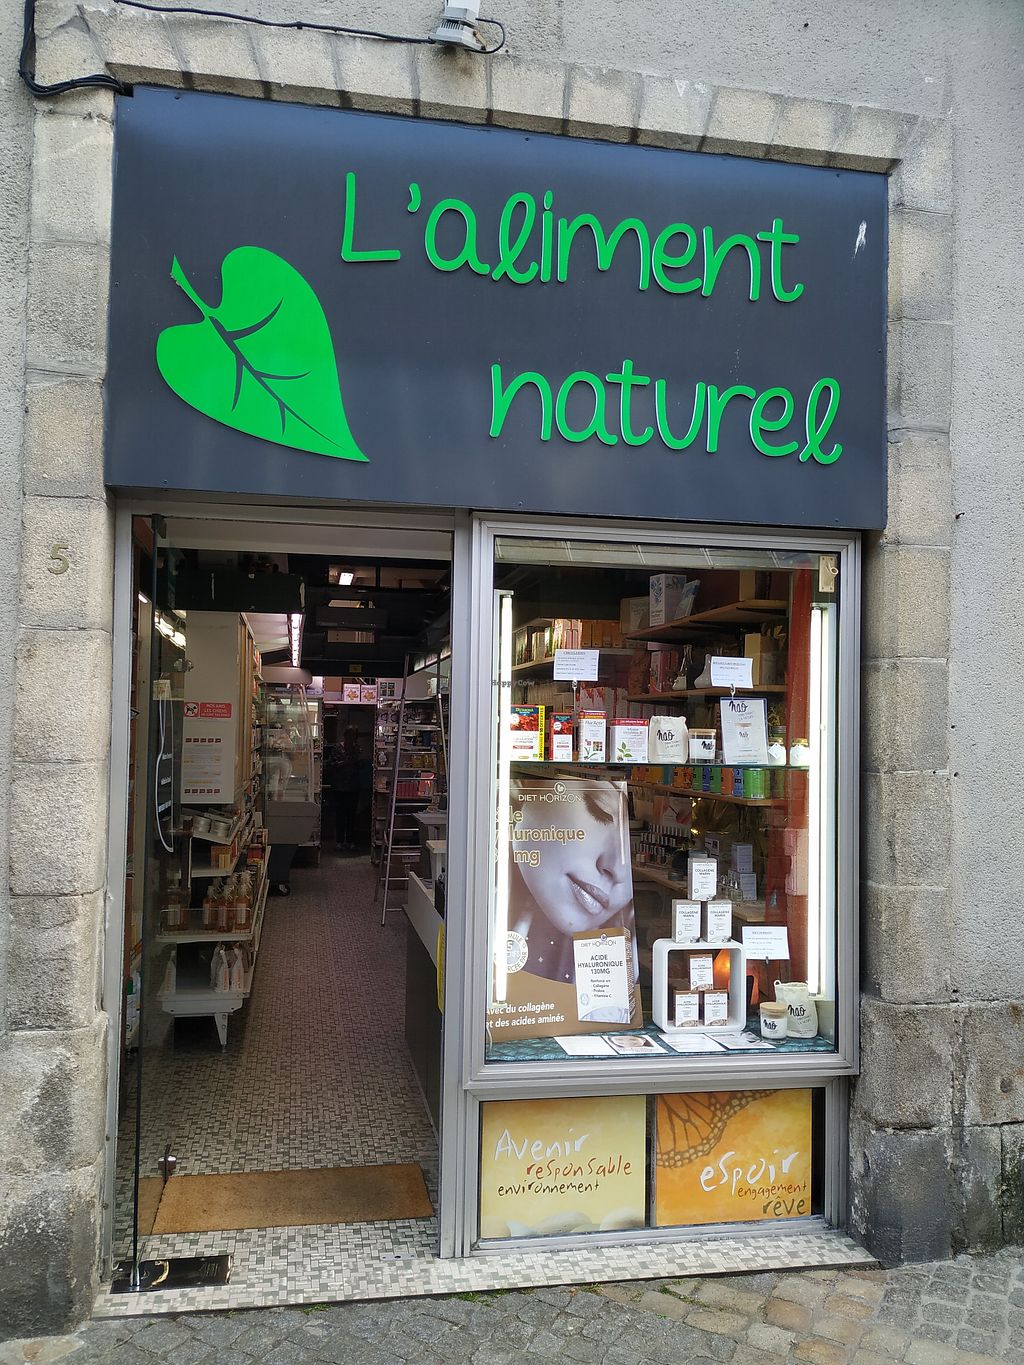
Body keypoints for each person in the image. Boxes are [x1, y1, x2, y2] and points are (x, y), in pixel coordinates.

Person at [506, 775, 639, 1017]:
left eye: (635, 852)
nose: (619, 870)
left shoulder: (622, 963)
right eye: (601, 809)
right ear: (528, 787)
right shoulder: (481, 905)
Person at [325, 725, 364, 850]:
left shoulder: (356, 748)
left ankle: (350, 840)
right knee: (340, 814)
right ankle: (340, 840)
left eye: (354, 736)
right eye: (350, 735)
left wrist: (357, 758)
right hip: (339, 787)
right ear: (345, 735)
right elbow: (330, 765)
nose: (352, 738)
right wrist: (343, 763)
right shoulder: (337, 748)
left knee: (351, 815)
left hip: (353, 786)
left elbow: (360, 765)